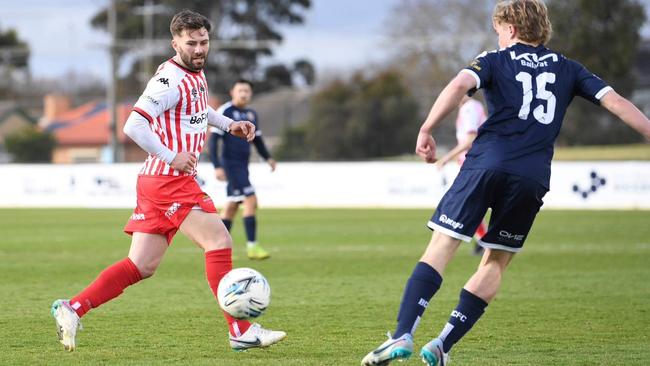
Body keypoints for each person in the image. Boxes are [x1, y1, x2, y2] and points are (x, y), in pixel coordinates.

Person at [361, 1, 650, 365]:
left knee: (443, 245)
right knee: (496, 261)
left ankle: (403, 333)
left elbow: (460, 83)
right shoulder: (569, 68)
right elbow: (617, 102)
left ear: (510, 29)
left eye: (498, 29)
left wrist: (427, 127)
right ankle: (442, 345)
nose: (497, 36)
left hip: (487, 163)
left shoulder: (494, 60)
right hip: (531, 176)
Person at [50, 10, 286, 352]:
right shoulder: (169, 79)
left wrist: (228, 125)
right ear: (175, 43)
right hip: (168, 181)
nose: (199, 49)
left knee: (140, 266)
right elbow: (133, 125)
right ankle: (240, 329)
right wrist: (171, 155)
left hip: (157, 182)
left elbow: (199, 111)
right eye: (191, 43)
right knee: (219, 241)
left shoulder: (196, 74)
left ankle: (73, 307)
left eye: (204, 42)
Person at [208, 79, 277, 260]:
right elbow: (214, 140)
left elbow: (258, 140)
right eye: (241, 90)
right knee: (251, 200)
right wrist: (217, 166)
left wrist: (267, 157)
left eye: (247, 91)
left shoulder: (251, 114)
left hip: (242, 166)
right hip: (230, 165)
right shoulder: (225, 111)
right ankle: (252, 247)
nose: (244, 94)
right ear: (232, 92)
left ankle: (216, 246)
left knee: (231, 207)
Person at [435, 95, 488, 256]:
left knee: (465, 203)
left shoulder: (469, 108)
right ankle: (484, 240)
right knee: (471, 204)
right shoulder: (473, 107)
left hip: (472, 163)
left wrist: (445, 158)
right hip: (476, 161)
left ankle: (485, 241)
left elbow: (470, 140)